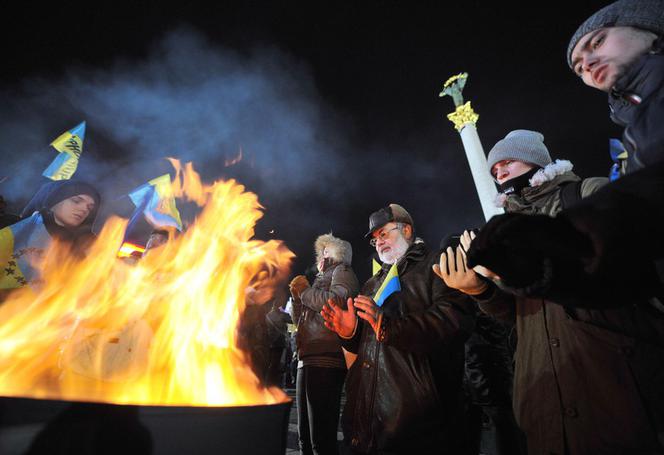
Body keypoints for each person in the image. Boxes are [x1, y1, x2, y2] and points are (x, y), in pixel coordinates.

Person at [438, 131, 664, 454]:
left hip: (615, 394)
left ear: (536, 160)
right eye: (494, 170)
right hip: (544, 408)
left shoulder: (588, 195)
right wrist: (481, 290)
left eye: (507, 162)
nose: (499, 173)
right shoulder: (508, 228)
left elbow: (633, 265)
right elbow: (520, 315)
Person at [467, 0, 664, 303]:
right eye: (578, 65)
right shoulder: (636, 131)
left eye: (597, 41)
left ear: (650, 27)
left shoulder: (588, 191)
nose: (586, 63)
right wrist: (491, 289)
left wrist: (565, 238)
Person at [321, 204, 475, 454]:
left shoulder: (435, 265)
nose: (378, 242)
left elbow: (454, 322)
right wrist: (350, 334)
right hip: (371, 420)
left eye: (384, 233)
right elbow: (369, 346)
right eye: (374, 239)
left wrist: (389, 326)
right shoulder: (372, 283)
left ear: (406, 230)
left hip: (419, 424)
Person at [289, 233, 359, 455]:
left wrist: (306, 292)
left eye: (327, 249)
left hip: (326, 358)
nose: (322, 253)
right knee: (305, 438)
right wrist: (297, 297)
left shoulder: (343, 271)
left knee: (321, 437)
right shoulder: (320, 279)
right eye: (321, 250)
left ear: (340, 252)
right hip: (307, 357)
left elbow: (335, 302)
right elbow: (299, 321)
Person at [0, 180, 100, 291]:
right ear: (55, 201)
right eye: (76, 201)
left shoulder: (85, 250)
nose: (84, 209)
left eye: (90, 208)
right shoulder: (10, 225)